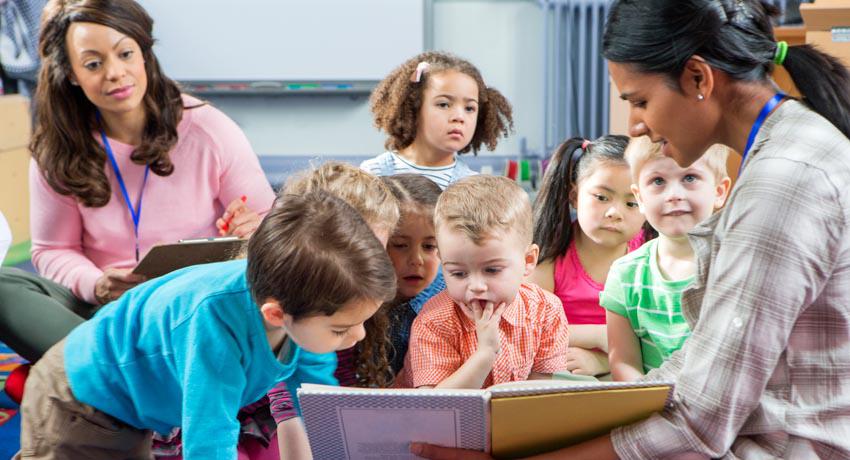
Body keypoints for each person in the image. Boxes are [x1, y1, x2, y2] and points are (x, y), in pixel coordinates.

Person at [411, 0, 850, 458]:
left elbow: (700, 423)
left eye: (640, 101)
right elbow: (703, 364)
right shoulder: (788, 147)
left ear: (698, 78)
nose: (637, 126)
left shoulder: (782, 181)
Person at [14, 191, 397, 459]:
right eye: (341, 329)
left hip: (130, 410)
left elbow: (315, 400)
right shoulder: (215, 323)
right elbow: (209, 437)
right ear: (276, 315)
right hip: (79, 399)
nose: (357, 336)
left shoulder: (297, 299)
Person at [0, 0, 275, 363]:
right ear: (71, 74)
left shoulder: (209, 129)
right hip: (102, 314)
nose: (114, 73)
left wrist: (252, 227)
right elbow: (52, 250)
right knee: (5, 287)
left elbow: (272, 229)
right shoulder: (56, 149)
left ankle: (93, 372)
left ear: (144, 54)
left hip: (194, 312)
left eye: (125, 54)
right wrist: (96, 284)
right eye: (93, 64)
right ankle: (117, 369)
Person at [397, 175, 569, 389]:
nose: (476, 286)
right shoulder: (434, 322)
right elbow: (437, 407)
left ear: (528, 261)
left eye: (492, 270)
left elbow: (542, 392)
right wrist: (485, 354)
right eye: (458, 273)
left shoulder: (546, 311)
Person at [603, 138, 730, 381]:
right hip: (652, 406)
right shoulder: (625, 274)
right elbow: (623, 362)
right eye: (658, 181)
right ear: (639, 198)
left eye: (689, 178)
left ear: (719, 192)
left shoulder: (736, 264)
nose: (673, 195)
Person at [530, 136, 647, 377]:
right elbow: (527, 328)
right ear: (574, 196)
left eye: (631, 203)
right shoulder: (548, 255)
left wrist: (605, 358)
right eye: (602, 197)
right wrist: (600, 335)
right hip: (562, 374)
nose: (614, 212)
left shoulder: (649, 255)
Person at [360, 51, 513, 189]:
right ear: (414, 107)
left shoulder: (473, 187)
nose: (459, 117)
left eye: (469, 108)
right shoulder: (374, 173)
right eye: (444, 104)